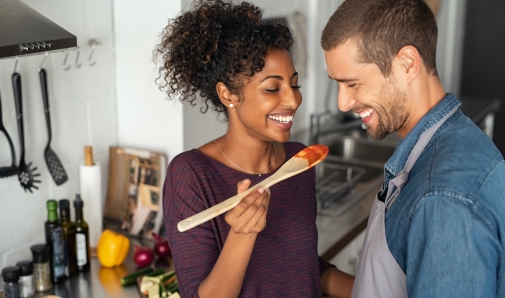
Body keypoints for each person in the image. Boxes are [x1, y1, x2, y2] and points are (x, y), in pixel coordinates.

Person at [155, 0, 354, 297]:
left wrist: (372, 288)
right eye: (273, 88)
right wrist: (242, 234)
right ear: (228, 94)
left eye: (294, 85)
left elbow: (299, 267)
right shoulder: (191, 175)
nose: (293, 100)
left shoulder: (298, 162)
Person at [321, 0, 505, 297]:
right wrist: (322, 276)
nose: (343, 103)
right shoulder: (452, 138)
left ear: (407, 64)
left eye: (352, 83)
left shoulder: (443, 200)